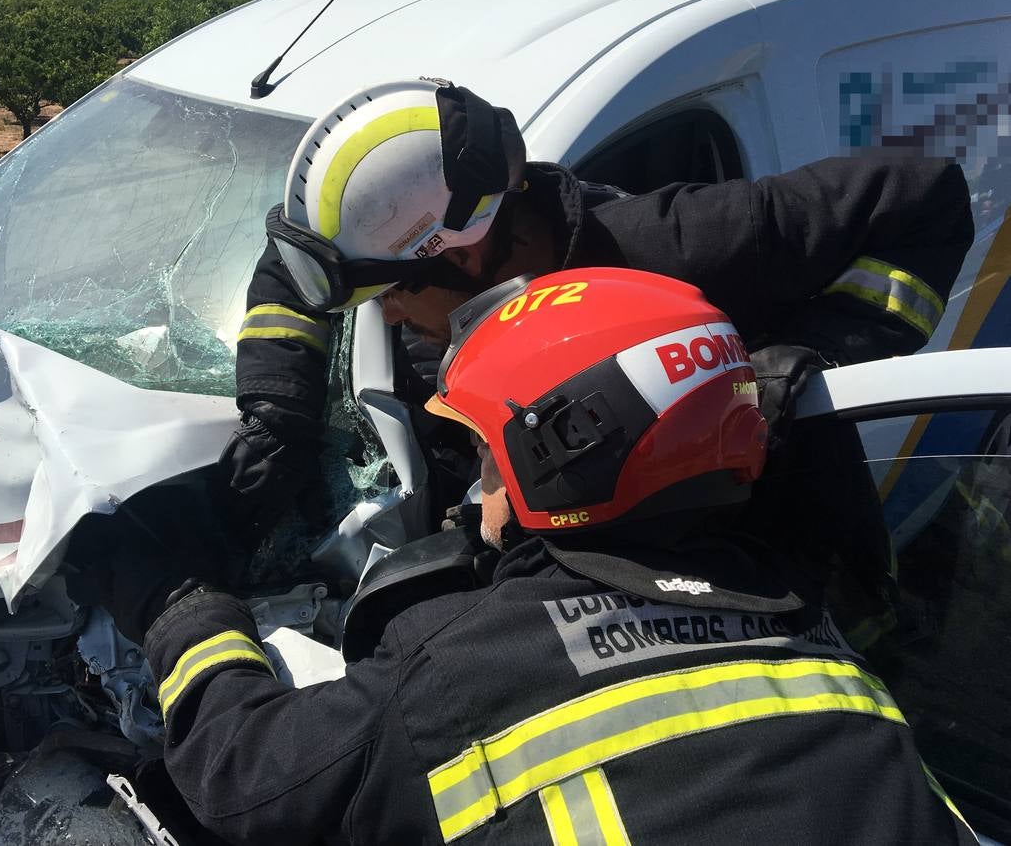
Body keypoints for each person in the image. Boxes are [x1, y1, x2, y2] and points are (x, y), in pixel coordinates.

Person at [137, 269, 976, 844]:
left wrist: (184, 611)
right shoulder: (804, 613)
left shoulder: (460, 669)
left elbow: (243, 774)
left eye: (485, 455)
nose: (476, 488)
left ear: (558, 458)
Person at [225, 77, 974, 548]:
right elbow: (300, 265)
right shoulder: (429, 267)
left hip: (761, 555)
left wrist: (797, 370)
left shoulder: (676, 246)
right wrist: (277, 415)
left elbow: (925, 196)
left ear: (458, 254)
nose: (385, 320)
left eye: (391, 296)